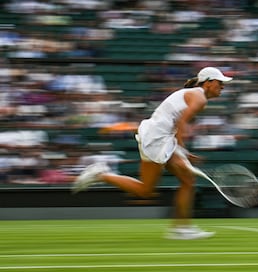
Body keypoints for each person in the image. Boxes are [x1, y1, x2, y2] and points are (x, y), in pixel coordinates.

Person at [72, 67, 232, 240]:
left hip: (154, 135)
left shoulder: (195, 94)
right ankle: (182, 229)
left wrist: (180, 149)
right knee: (188, 181)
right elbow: (182, 121)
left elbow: (177, 123)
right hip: (158, 138)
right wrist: (182, 148)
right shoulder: (199, 97)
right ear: (208, 82)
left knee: (145, 190)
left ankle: (101, 174)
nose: (222, 86)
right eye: (219, 82)